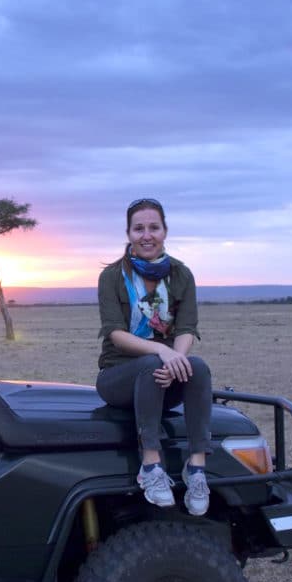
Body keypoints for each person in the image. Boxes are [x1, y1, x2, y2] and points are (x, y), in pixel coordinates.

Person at [96, 197, 212, 516]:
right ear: (129, 233)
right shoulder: (111, 277)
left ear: (165, 231)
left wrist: (176, 361)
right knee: (150, 364)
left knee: (198, 368)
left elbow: (188, 328)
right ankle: (150, 465)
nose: (147, 235)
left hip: (164, 376)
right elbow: (115, 334)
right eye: (139, 228)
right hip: (117, 378)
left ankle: (197, 468)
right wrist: (162, 351)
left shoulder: (181, 275)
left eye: (153, 227)